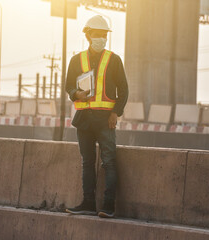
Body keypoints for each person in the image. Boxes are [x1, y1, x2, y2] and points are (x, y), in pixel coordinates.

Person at [65, 15, 128, 218]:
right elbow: (69, 86)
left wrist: (115, 113)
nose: (101, 38)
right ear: (88, 35)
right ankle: (88, 204)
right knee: (87, 162)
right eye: (97, 34)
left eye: (104, 35)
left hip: (105, 121)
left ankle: (108, 206)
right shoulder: (77, 60)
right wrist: (77, 93)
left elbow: (124, 91)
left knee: (109, 161)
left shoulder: (114, 59)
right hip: (84, 119)